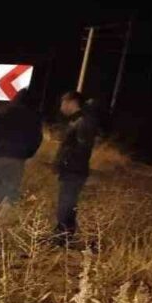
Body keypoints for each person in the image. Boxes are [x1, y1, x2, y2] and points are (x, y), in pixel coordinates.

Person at [0, 88, 42, 207]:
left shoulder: (2, 112)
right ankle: (4, 217)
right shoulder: (32, 116)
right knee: (11, 189)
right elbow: (37, 137)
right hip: (17, 157)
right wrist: (28, 153)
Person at [54, 90, 98, 241]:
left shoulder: (82, 122)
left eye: (63, 103)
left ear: (72, 103)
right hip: (73, 169)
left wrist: (65, 161)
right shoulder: (79, 121)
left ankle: (62, 236)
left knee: (66, 204)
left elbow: (82, 148)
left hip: (74, 170)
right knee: (68, 203)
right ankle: (63, 235)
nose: (61, 107)